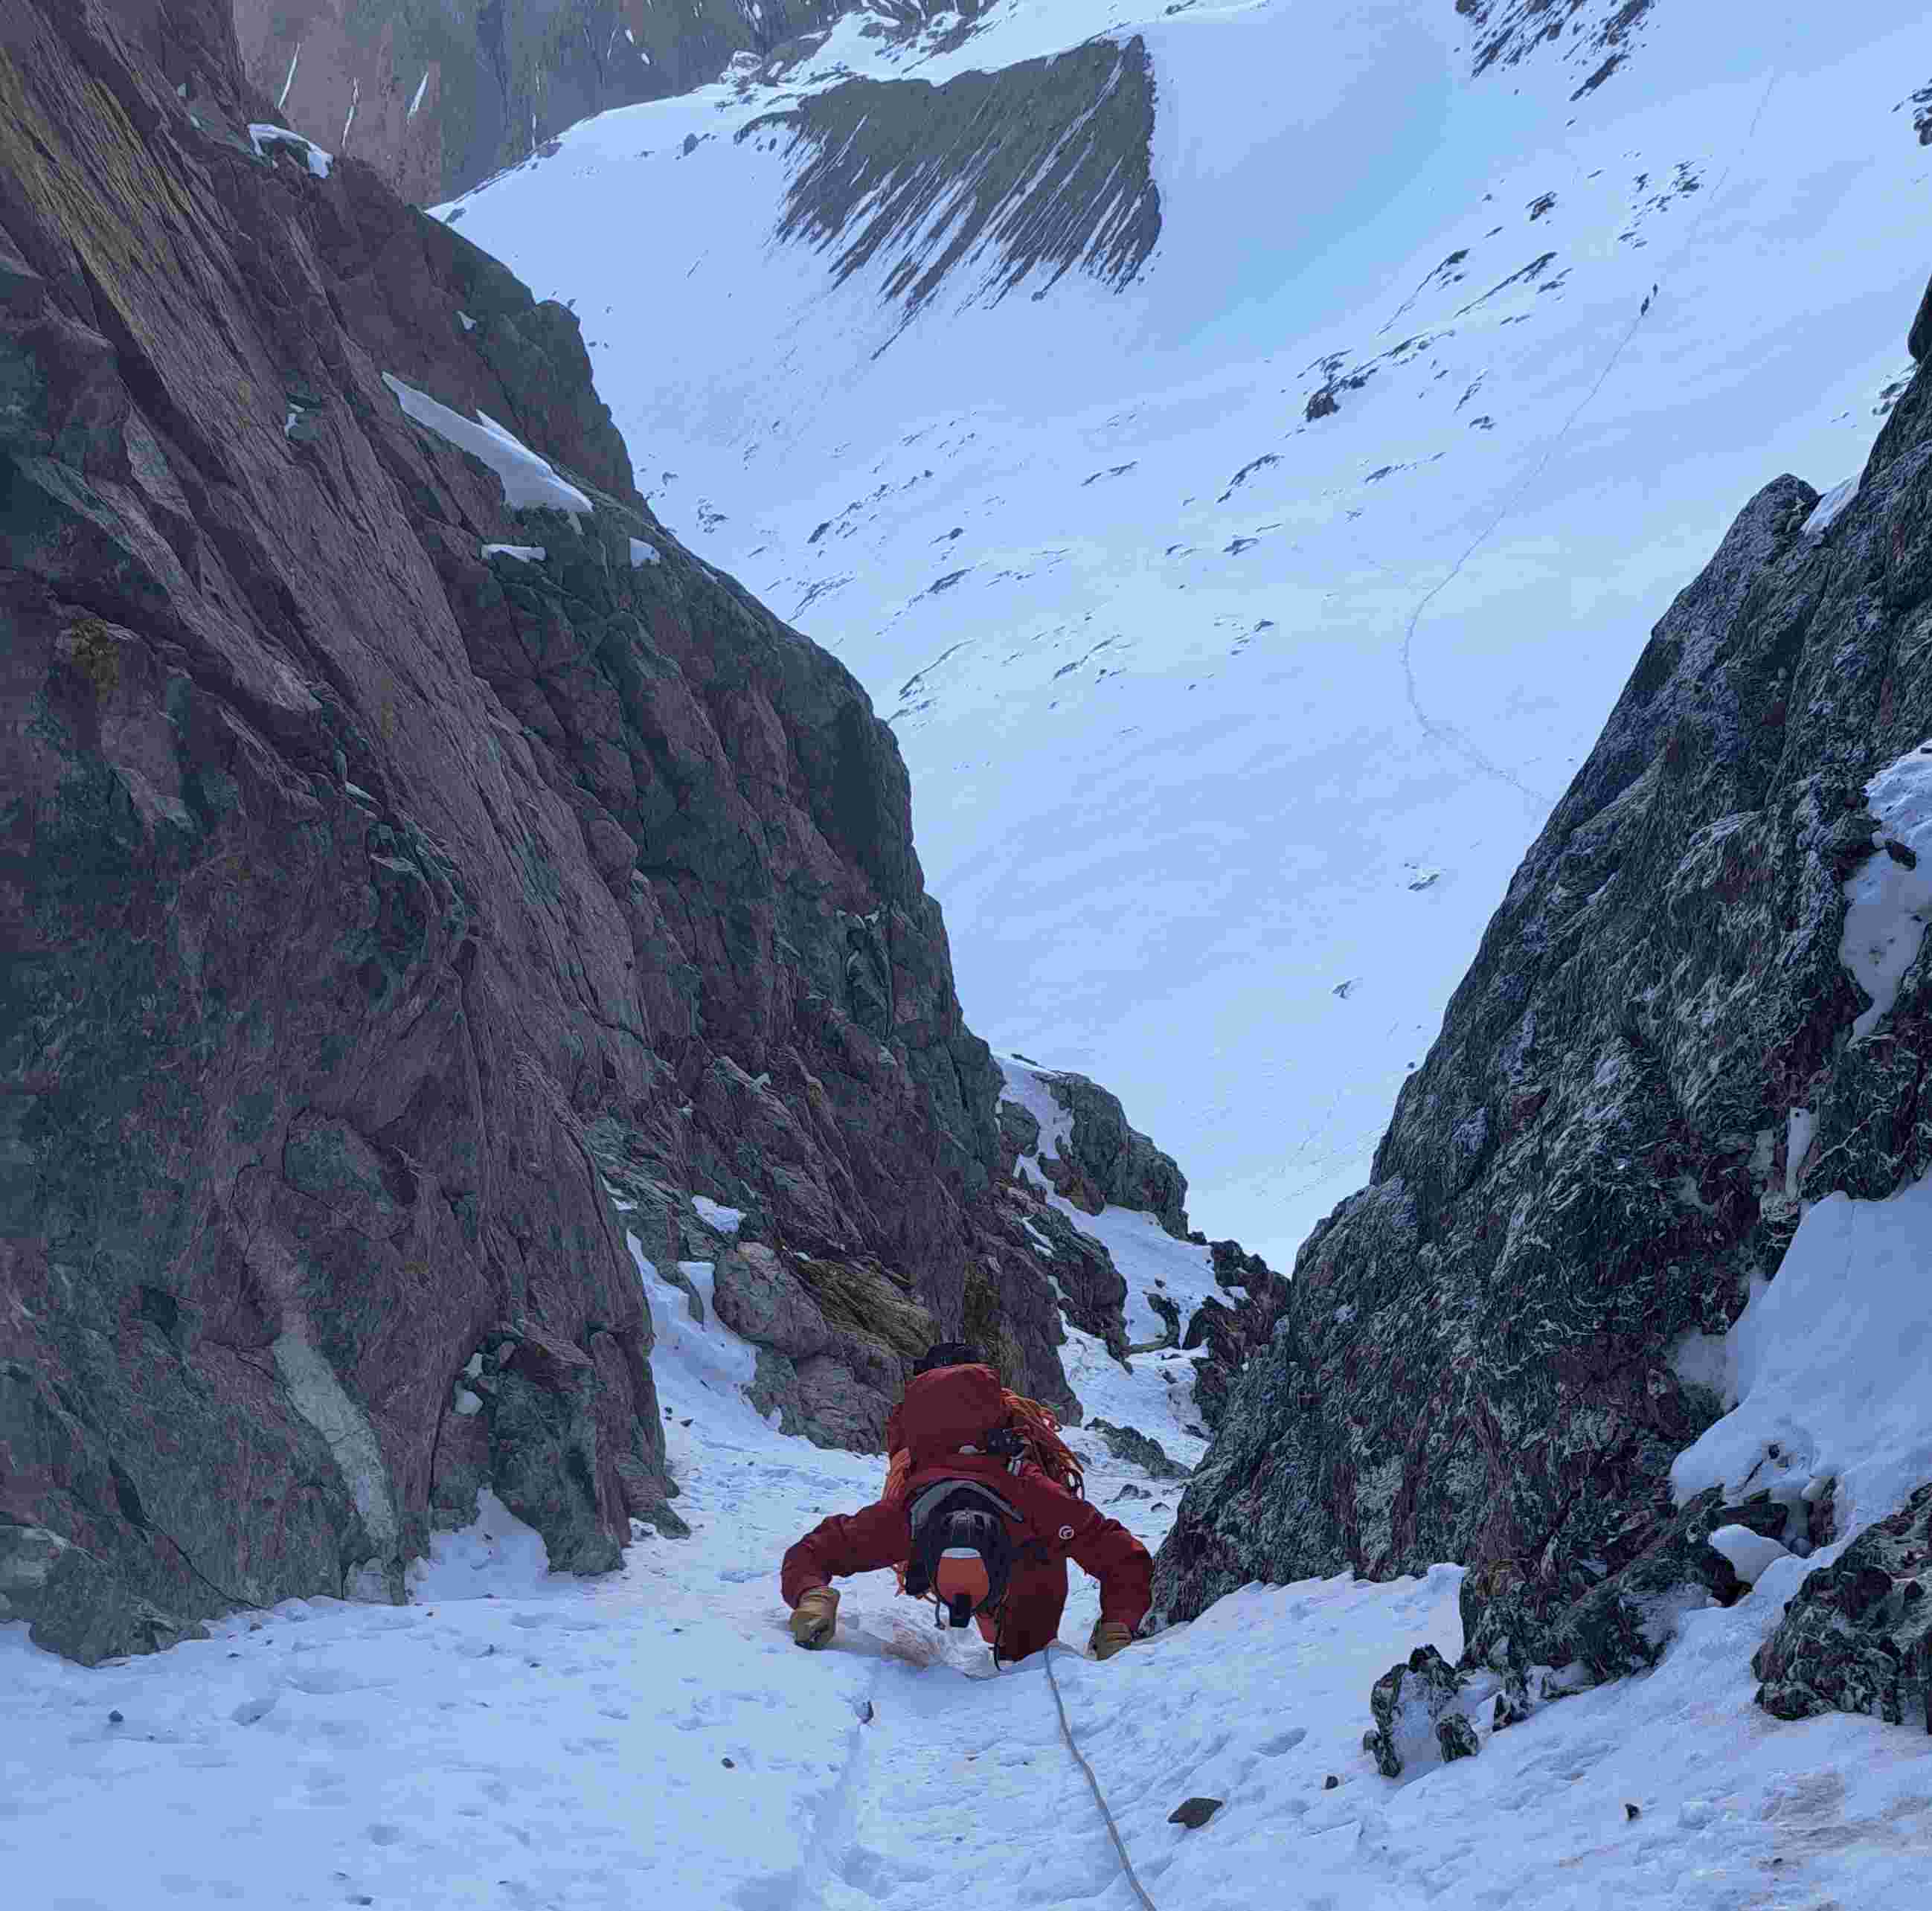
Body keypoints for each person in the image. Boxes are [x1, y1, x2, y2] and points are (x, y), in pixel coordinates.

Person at [781, 1343, 1151, 1664]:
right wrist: (1119, 1623)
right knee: (1027, 1654)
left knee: (1016, 1643)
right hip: (1027, 1565)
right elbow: (1122, 1557)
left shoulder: (907, 1515)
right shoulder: (1032, 1493)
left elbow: (813, 1553)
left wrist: (814, 1596)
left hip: (969, 1527)